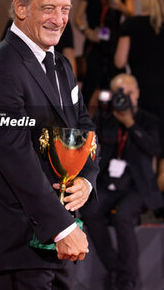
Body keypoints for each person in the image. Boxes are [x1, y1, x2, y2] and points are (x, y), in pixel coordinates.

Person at [0, 0, 99, 290]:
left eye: (65, 9)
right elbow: (15, 159)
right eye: (49, 8)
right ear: (21, 7)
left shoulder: (61, 64)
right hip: (18, 244)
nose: (59, 20)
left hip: (58, 244)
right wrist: (63, 228)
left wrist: (86, 179)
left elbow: (83, 127)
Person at [80, 74, 164, 290]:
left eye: (128, 93)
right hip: (108, 183)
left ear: (136, 93)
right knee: (90, 210)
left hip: (137, 186)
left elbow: (154, 148)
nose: (124, 98)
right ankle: (114, 268)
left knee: (124, 217)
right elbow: (90, 144)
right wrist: (102, 114)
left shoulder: (149, 120)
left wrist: (130, 123)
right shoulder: (105, 118)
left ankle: (127, 279)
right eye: (119, 93)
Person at [114, 0, 164, 194]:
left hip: (142, 97)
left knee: (145, 149)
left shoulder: (132, 25)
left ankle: (143, 202)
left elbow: (119, 61)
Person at [74, 0, 134, 109]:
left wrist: (121, 6)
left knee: (115, 88)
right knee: (89, 88)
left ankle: (111, 129)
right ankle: (84, 127)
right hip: (94, 45)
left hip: (115, 46)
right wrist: (87, 31)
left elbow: (131, 14)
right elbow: (77, 18)